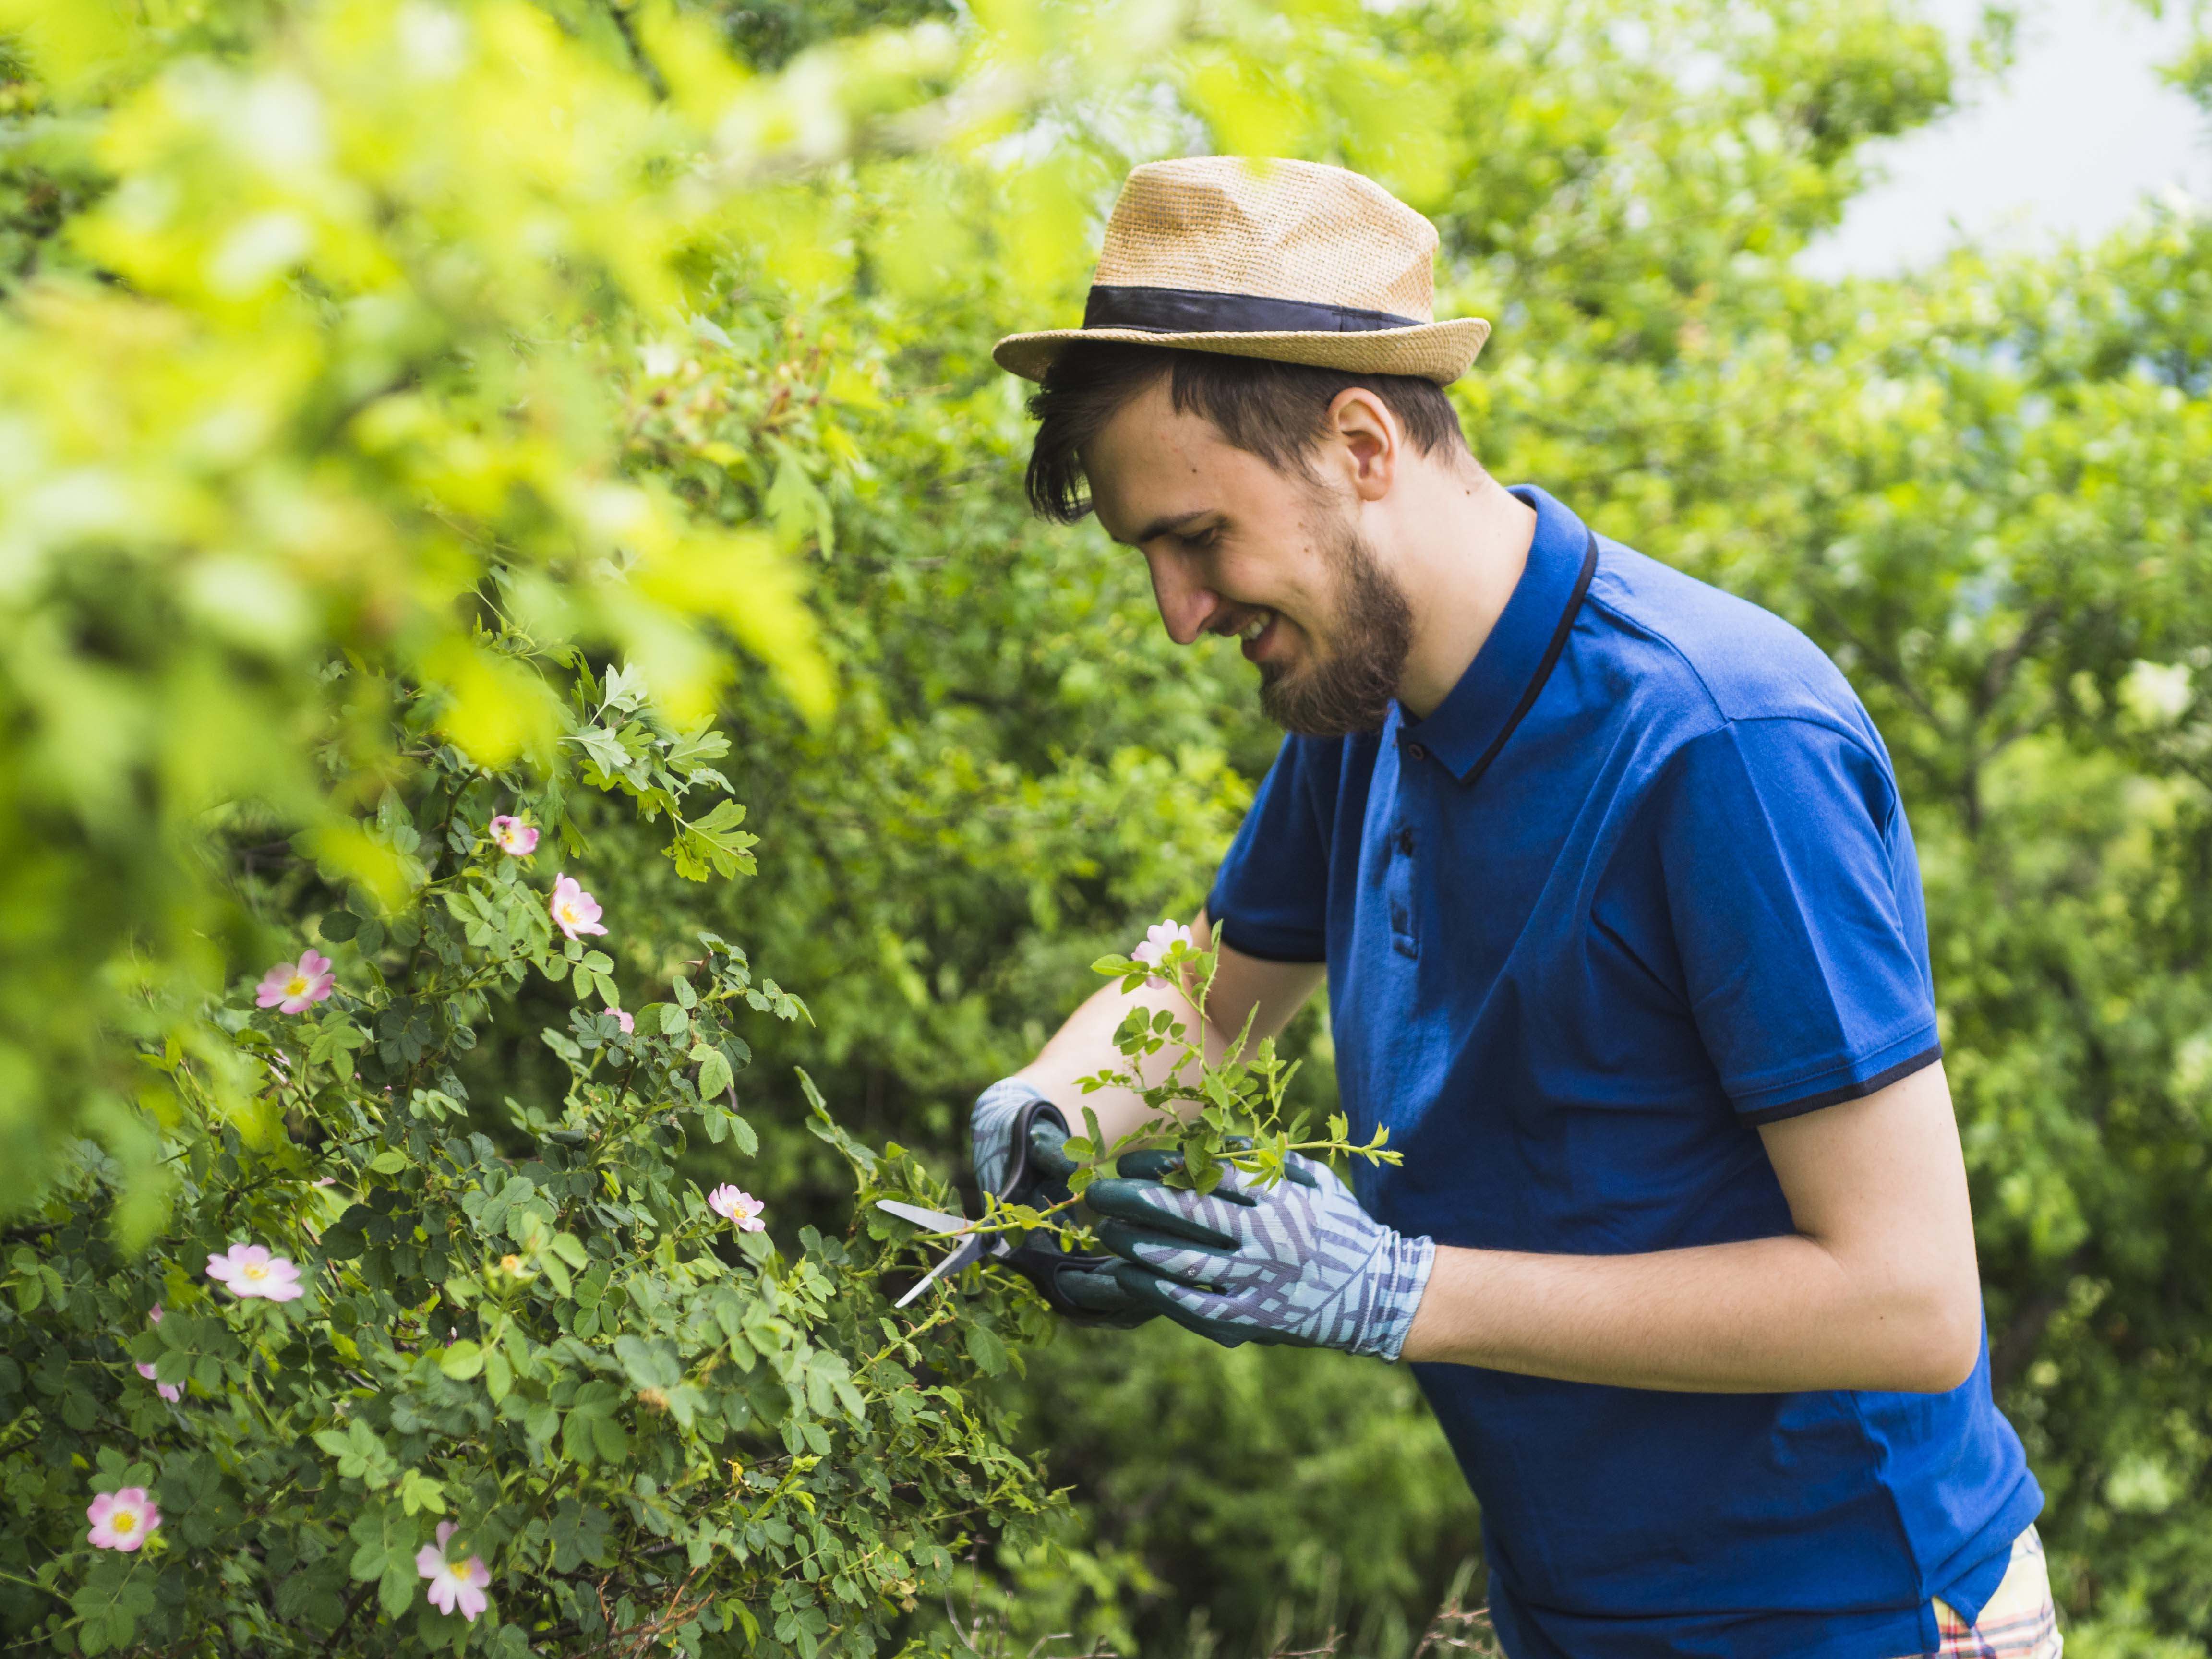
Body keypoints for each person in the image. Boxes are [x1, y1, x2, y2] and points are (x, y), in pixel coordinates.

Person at [968, 157, 2057, 1659]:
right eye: (1149, 552)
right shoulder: (1365, 702)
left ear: (1362, 444)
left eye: (1199, 537)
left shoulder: (1719, 741)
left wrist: (1395, 1291)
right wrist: (1051, 1109)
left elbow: (1910, 1303)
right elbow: (1212, 1005)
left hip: (1849, 1611)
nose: (1179, 612)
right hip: (1578, 1610)